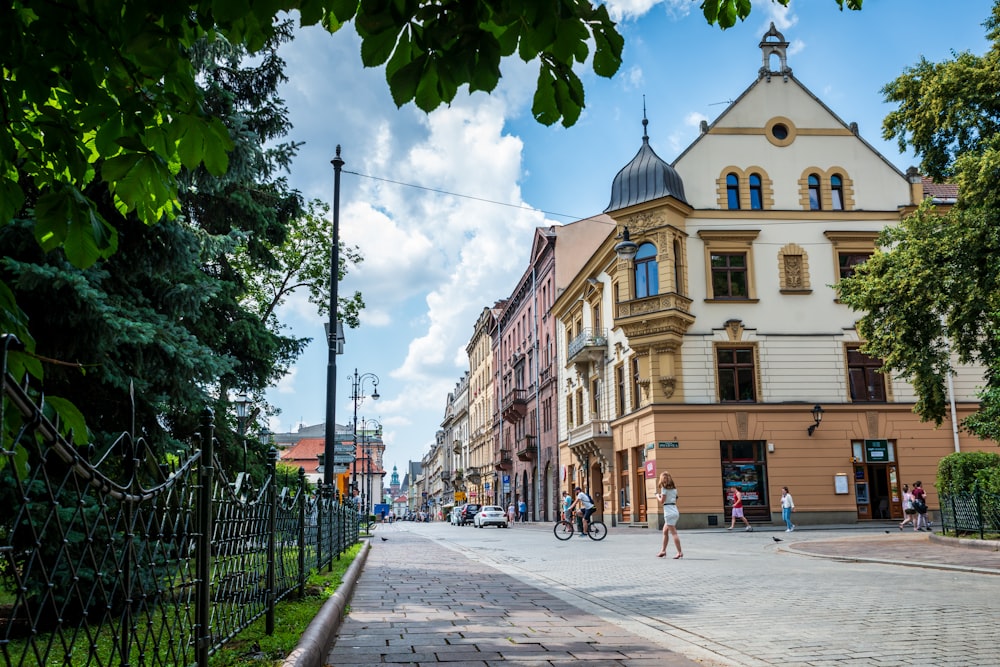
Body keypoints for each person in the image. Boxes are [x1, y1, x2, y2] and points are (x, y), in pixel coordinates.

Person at [655, 471, 683, 559]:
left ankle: (679, 552)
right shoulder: (674, 489)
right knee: (665, 531)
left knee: (674, 533)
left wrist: (657, 496)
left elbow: (662, 501)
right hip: (674, 510)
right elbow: (675, 498)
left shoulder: (664, 489)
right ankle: (663, 551)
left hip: (668, 512)